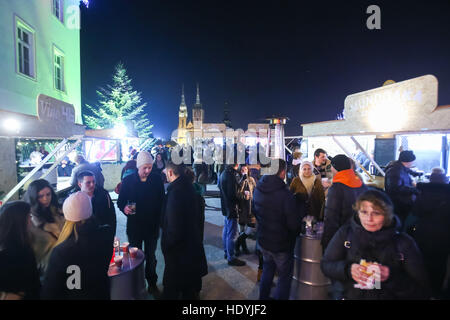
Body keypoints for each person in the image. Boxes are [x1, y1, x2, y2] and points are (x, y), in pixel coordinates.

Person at [321, 189, 431, 299]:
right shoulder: (345, 234)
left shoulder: (403, 243)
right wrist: (348, 270)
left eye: (376, 213)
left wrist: (390, 277)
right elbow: (326, 265)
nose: (369, 219)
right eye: (364, 212)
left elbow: (421, 291)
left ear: (387, 215)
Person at [41, 192, 112, 300]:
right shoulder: (106, 234)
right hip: (101, 293)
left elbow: (51, 290)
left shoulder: (62, 251)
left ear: (67, 216)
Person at [117, 151, 165, 297]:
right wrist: (124, 208)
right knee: (135, 258)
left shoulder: (156, 180)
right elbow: (120, 202)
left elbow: (162, 202)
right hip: (135, 227)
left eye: (150, 167)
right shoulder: (128, 181)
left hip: (152, 227)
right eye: (145, 168)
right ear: (138, 166)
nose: (147, 171)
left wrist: (161, 222)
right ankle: (137, 285)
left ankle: (152, 284)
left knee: (151, 257)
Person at [253, 159, 303, 300]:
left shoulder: (258, 188)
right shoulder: (285, 194)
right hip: (281, 244)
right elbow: (293, 225)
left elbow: (255, 212)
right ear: (282, 172)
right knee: (284, 278)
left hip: (263, 240)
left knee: (268, 269)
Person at [161, 161, 208, 300]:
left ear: (170, 172)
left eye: (166, 171)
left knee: (173, 287)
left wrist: (167, 245)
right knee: (188, 286)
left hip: (178, 252)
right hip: (189, 248)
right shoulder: (188, 187)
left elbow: (174, 228)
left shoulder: (175, 193)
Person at [407, 167, 450, 299]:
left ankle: (423, 290)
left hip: (423, 232)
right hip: (444, 234)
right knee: (441, 264)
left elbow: (415, 212)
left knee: (422, 261)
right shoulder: (448, 195)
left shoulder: (422, 194)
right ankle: (437, 291)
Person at [321, 155, 367, 251]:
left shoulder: (336, 188)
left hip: (341, 238)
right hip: (359, 234)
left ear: (334, 167)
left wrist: (327, 243)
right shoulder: (361, 185)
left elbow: (331, 218)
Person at [0, 201, 40, 300]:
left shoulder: (19, 245)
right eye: (29, 216)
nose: (31, 219)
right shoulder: (20, 251)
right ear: (20, 221)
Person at [24, 179, 65, 274]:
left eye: (48, 194)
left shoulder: (59, 212)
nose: (45, 199)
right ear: (33, 198)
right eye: (40, 196)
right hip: (46, 269)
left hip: (65, 262)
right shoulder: (29, 221)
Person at [219, 161, 246, 266]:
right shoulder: (231, 174)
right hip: (231, 208)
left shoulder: (224, 172)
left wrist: (242, 179)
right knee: (232, 233)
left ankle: (227, 252)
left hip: (226, 207)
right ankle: (231, 257)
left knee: (227, 230)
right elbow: (233, 194)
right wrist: (242, 199)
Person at [384, 150, 422, 224]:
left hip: (401, 201)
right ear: (408, 161)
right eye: (412, 161)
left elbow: (407, 170)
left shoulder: (399, 166)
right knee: (399, 221)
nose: (413, 163)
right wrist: (414, 189)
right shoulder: (395, 171)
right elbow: (396, 188)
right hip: (399, 203)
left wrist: (416, 173)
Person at [77, 171, 116, 241]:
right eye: (88, 182)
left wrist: (111, 234)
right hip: (84, 239)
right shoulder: (75, 199)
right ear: (80, 184)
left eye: (93, 181)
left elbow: (112, 216)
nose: (92, 184)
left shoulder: (103, 194)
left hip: (103, 235)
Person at [235, 164, 257, 256]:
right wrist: (244, 196)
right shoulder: (238, 179)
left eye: (246, 169)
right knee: (242, 228)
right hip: (242, 207)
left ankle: (237, 243)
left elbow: (256, 191)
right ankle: (243, 247)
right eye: (243, 169)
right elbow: (236, 193)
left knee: (251, 227)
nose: (245, 171)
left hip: (251, 207)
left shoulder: (251, 179)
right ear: (240, 170)